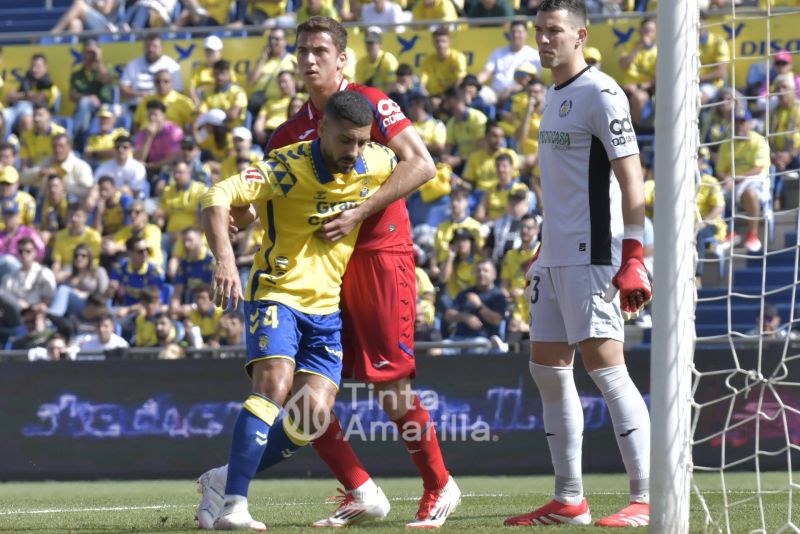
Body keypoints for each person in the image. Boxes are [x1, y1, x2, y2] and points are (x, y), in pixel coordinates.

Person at [197, 16, 459, 531]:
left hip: (379, 256)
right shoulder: (288, 133)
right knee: (302, 394)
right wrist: (238, 221)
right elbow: (259, 204)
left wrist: (359, 212)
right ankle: (358, 487)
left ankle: (438, 484)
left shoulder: (370, 103)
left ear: (343, 59)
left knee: (389, 388)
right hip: (316, 274)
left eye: (321, 50)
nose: (310, 59)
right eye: (302, 51)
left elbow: (423, 165)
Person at [198, 91, 397, 530]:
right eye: (346, 141)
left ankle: (220, 480)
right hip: (276, 292)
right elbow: (216, 195)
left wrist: (364, 210)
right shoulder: (286, 167)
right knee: (274, 384)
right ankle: (235, 506)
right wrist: (226, 260)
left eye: (362, 141)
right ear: (322, 129)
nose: (354, 152)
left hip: (325, 309)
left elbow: (417, 167)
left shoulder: (376, 161)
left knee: (311, 416)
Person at [503, 0, 652, 528]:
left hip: (595, 253)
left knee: (608, 371)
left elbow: (632, 178)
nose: (545, 40)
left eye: (555, 31)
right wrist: (545, 243)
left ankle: (647, 497)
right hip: (558, 253)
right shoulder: (553, 93)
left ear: (581, 35)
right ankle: (570, 500)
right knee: (547, 370)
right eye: (539, 31)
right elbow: (564, 184)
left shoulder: (602, 92)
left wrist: (634, 253)